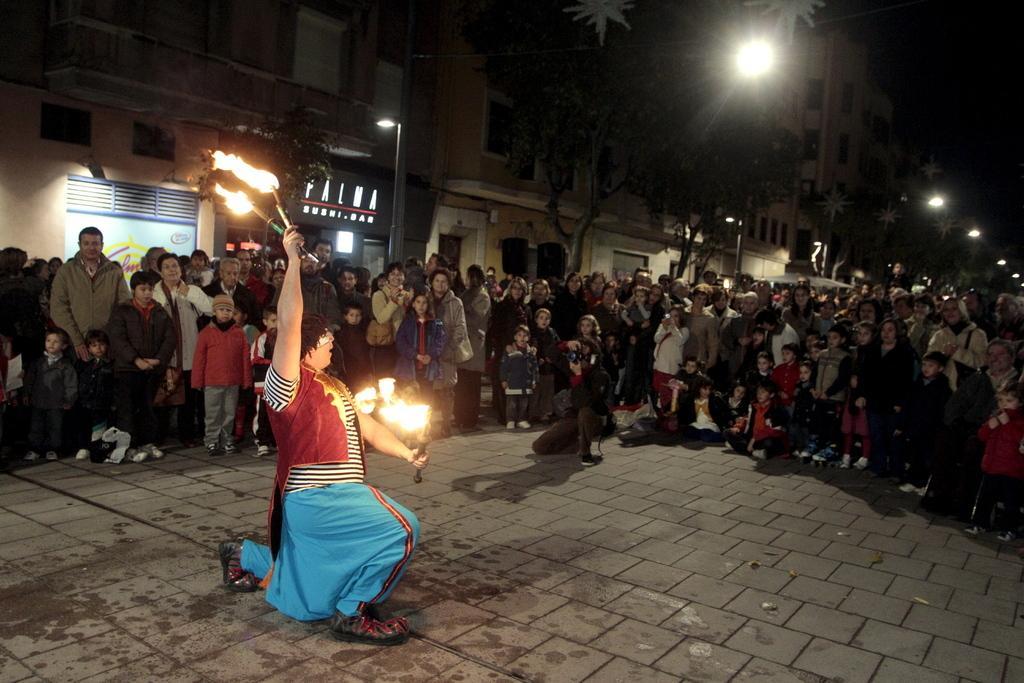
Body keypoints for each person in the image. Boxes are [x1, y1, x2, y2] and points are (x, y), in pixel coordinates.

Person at [218, 227, 428, 646]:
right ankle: (353, 613)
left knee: (309, 571)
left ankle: (243, 555)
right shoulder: (287, 383)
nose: (332, 343)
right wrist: (293, 261)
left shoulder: (336, 386)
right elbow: (291, 318)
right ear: (306, 346)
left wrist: (405, 453)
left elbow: (366, 427)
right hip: (318, 497)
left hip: (333, 497)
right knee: (403, 529)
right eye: (327, 338)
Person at [926, 339, 1019, 518]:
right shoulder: (978, 377)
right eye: (990, 354)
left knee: (974, 448)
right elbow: (956, 402)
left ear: (1011, 357)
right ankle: (939, 497)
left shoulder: (1015, 384)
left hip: (995, 431)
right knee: (945, 440)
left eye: (1000, 354)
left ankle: (963, 505)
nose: (994, 358)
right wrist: (955, 420)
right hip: (967, 424)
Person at [107, 271, 176, 458]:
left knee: (148, 407)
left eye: (150, 289)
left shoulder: (159, 311)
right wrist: (136, 360)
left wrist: (159, 359)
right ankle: (128, 445)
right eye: (142, 289)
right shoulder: (122, 311)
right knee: (127, 409)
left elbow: (170, 338)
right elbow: (117, 338)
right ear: (133, 290)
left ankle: (147, 442)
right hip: (127, 369)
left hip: (151, 368)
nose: (147, 293)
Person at [154, 252, 213, 447]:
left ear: (181, 269)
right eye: (167, 267)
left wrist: (189, 293)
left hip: (189, 351)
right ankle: (160, 435)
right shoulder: (155, 292)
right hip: (166, 353)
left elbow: (211, 309)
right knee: (164, 395)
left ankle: (186, 435)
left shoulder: (192, 290)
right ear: (160, 271)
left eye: (175, 266)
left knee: (189, 397)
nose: (172, 270)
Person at [50, 227, 131, 362]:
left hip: (106, 344)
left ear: (102, 245)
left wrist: (107, 337)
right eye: (86, 243)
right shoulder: (65, 271)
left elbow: (124, 306)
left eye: (95, 243)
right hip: (73, 344)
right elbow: (58, 308)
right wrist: (76, 339)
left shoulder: (114, 272)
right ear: (79, 245)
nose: (91, 247)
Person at [531, 338, 610, 467]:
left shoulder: (601, 375)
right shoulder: (575, 368)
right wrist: (565, 344)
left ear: (593, 357)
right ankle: (577, 445)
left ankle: (586, 453)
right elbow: (550, 353)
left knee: (584, 412)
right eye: (579, 352)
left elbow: (586, 402)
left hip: (594, 417)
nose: (580, 358)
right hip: (574, 416)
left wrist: (578, 376)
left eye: (585, 352)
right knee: (539, 447)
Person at [192, 295, 252, 455]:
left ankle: (227, 440)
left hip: (233, 382)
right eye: (221, 310)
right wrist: (197, 381)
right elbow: (199, 358)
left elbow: (245, 358)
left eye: (228, 310)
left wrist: (246, 380)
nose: (225, 313)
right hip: (212, 382)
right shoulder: (206, 333)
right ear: (214, 311)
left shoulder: (239, 333)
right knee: (212, 413)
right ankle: (211, 441)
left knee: (229, 413)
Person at [966, 384, 1024, 542]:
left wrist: (1007, 424)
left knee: (1010, 502)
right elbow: (982, 436)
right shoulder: (997, 415)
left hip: (1012, 469)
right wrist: (988, 428)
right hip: (992, 466)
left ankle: (1010, 528)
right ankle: (980, 523)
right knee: (986, 497)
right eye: (1001, 400)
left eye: (1009, 400)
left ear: (1020, 402)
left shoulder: (1019, 420)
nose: (1004, 404)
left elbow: (1019, 439)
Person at [893, 351, 951, 493]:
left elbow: (941, 411)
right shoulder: (918, 383)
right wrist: (901, 424)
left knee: (927, 456)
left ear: (940, 368)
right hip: (914, 426)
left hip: (930, 429)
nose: (926, 368)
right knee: (914, 454)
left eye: (931, 365)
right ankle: (912, 480)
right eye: (924, 364)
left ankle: (924, 483)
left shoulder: (943, 388)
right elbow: (907, 405)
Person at [23, 329, 77, 461]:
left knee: (55, 427)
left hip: (56, 403)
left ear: (63, 346)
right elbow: (30, 379)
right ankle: (35, 449)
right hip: (38, 401)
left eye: (55, 341)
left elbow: (71, 384)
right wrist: (26, 394)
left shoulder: (65, 365)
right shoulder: (38, 363)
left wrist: (69, 399)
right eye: (48, 341)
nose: (51, 344)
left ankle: (53, 449)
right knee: (36, 426)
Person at [428, 268, 467, 438]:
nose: (440, 284)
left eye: (444, 281)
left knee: (447, 390)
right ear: (431, 282)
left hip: (447, 353)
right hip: (428, 352)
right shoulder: (425, 299)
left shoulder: (456, 302)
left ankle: (445, 424)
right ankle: (425, 425)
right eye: (437, 280)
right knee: (427, 391)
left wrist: (450, 348)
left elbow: (461, 328)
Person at [487, 277, 528, 424]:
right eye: (514, 288)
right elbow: (496, 329)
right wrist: (505, 345)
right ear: (510, 289)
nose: (517, 291)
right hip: (505, 349)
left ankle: (514, 415)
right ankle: (504, 416)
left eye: (520, 288)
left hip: (520, 349)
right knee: (504, 382)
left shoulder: (524, 308)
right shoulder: (502, 306)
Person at [454, 265, 490, 431]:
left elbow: (476, 318)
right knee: (462, 383)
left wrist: (462, 312)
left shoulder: (482, 296)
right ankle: (460, 415)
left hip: (474, 344)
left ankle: (469, 419)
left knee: (472, 384)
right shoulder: (466, 294)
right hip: (464, 344)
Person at [395, 292, 446, 401]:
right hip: (410, 367)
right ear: (413, 304)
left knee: (427, 399)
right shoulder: (407, 321)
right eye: (418, 302)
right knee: (410, 399)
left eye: (424, 303)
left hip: (428, 367)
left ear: (428, 305)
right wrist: (414, 355)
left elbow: (440, 341)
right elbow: (400, 341)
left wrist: (430, 355)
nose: (421, 305)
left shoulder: (435, 322)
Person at [927, 297, 987, 390]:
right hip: (943, 390)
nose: (950, 312)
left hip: (967, 388)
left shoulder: (977, 334)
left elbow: (982, 361)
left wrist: (958, 353)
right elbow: (929, 361)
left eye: (954, 308)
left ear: (961, 310)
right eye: (946, 310)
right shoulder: (939, 336)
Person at [72, 329, 115, 460]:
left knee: (100, 427)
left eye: (101, 344)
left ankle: (98, 448)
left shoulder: (110, 365)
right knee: (83, 425)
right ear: (88, 348)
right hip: (85, 401)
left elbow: (114, 385)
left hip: (102, 402)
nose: (98, 348)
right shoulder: (83, 364)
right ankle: (84, 447)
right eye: (94, 345)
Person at [369, 262, 410, 380]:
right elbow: (381, 318)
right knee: (384, 381)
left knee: (401, 384)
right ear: (387, 276)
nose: (396, 277)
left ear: (404, 277)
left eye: (400, 274)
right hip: (385, 346)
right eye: (393, 274)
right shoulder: (379, 295)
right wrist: (395, 302)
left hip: (404, 345)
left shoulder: (407, 296)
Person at [252, 306, 278, 458]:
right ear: (265, 321)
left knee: (279, 413)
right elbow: (256, 359)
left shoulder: (285, 338)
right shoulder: (261, 339)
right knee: (262, 413)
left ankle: (276, 440)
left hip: (280, 385)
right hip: (264, 385)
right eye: (273, 321)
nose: (277, 324)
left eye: (279, 320)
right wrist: (275, 363)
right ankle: (262, 441)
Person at [500, 325, 538, 430]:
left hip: (526, 383)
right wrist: (503, 379)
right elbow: (504, 366)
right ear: (515, 337)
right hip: (513, 382)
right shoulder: (510, 351)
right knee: (511, 403)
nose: (522, 338)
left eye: (525, 336)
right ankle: (510, 420)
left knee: (524, 403)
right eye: (519, 335)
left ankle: (521, 420)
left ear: (528, 337)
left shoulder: (531, 353)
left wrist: (535, 380)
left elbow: (535, 367)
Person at [204, 257, 259, 329]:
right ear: (221, 274)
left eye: (235, 273)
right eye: (229, 273)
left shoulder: (248, 295)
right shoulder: (207, 292)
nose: (232, 277)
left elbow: (255, 319)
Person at [652, 306, 689, 412]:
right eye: (671, 316)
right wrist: (664, 327)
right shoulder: (663, 327)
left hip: (672, 369)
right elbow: (656, 339)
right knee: (658, 394)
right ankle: (659, 416)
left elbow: (679, 341)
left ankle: (669, 419)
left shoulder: (684, 330)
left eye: (676, 316)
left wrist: (673, 327)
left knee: (669, 396)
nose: (673, 318)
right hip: (660, 366)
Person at [678, 376, 727, 442]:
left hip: (709, 425)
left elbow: (724, 412)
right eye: (705, 389)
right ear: (698, 388)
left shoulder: (714, 399)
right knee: (688, 431)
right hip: (696, 424)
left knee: (705, 434)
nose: (708, 392)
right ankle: (703, 435)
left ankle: (725, 437)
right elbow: (684, 412)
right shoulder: (692, 398)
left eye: (709, 389)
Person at [337, 303, 374, 391]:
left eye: (357, 315)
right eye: (351, 315)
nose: (354, 318)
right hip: (349, 369)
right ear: (345, 316)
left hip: (364, 367)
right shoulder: (341, 333)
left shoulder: (364, 330)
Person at [551, 272, 589, 342]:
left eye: (577, 281)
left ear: (580, 284)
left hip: (579, 336)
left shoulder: (583, 301)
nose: (574, 283)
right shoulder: (560, 298)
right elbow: (555, 319)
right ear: (567, 283)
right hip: (562, 336)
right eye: (571, 281)